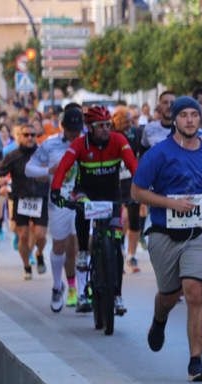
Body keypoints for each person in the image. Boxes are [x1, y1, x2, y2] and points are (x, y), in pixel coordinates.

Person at [132, 96, 202, 382]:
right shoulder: (159, 153)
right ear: (174, 119)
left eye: (194, 115)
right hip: (164, 234)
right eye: (183, 115)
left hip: (200, 233)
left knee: (195, 290)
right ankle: (159, 319)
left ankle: (196, 361)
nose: (189, 120)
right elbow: (137, 192)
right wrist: (170, 204)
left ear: (200, 119)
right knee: (169, 294)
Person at [51, 106, 138, 317]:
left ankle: (117, 295)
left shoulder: (118, 140)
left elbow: (134, 166)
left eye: (108, 125)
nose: (106, 130)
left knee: (116, 245)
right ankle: (82, 251)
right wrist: (55, 190)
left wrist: (141, 189)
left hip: (112, 195)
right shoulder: (80, 144)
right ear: (89, 128)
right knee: (80, 205)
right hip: (86, 191)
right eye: (100, 127)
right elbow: (63, 167)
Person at [24, 107, 84, 311]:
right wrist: (47, 170)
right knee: (59, 245)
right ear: (62, 126)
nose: (75, 134)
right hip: (59, 203)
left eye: (78, 129)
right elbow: (28, 169)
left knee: (81, 245)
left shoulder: (87, 141)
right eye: (71, 130)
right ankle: (58, 286)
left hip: (83, 201)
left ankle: (81, 290)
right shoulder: (50, 145)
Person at [0, 122, 46, 280]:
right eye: (26, 135)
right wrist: (0, 181)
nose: (30, 138)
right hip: (20, 199)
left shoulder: (43, 154)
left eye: (33, 135)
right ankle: (26, 266)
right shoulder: (13, 155)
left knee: (40, 235)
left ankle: (38, 254)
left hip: (39, 198)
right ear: (20, 137)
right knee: (23, 236)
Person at [112, 106, 145, 274]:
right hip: (115, 183)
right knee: (121, 220)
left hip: (132, 182)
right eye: (120, 118)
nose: (124, 121)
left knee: (134, 220)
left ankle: (131, 255)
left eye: (127, 118)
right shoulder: (109, 133)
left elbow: (143, 152)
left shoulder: (136, 133)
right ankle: (119, 251)